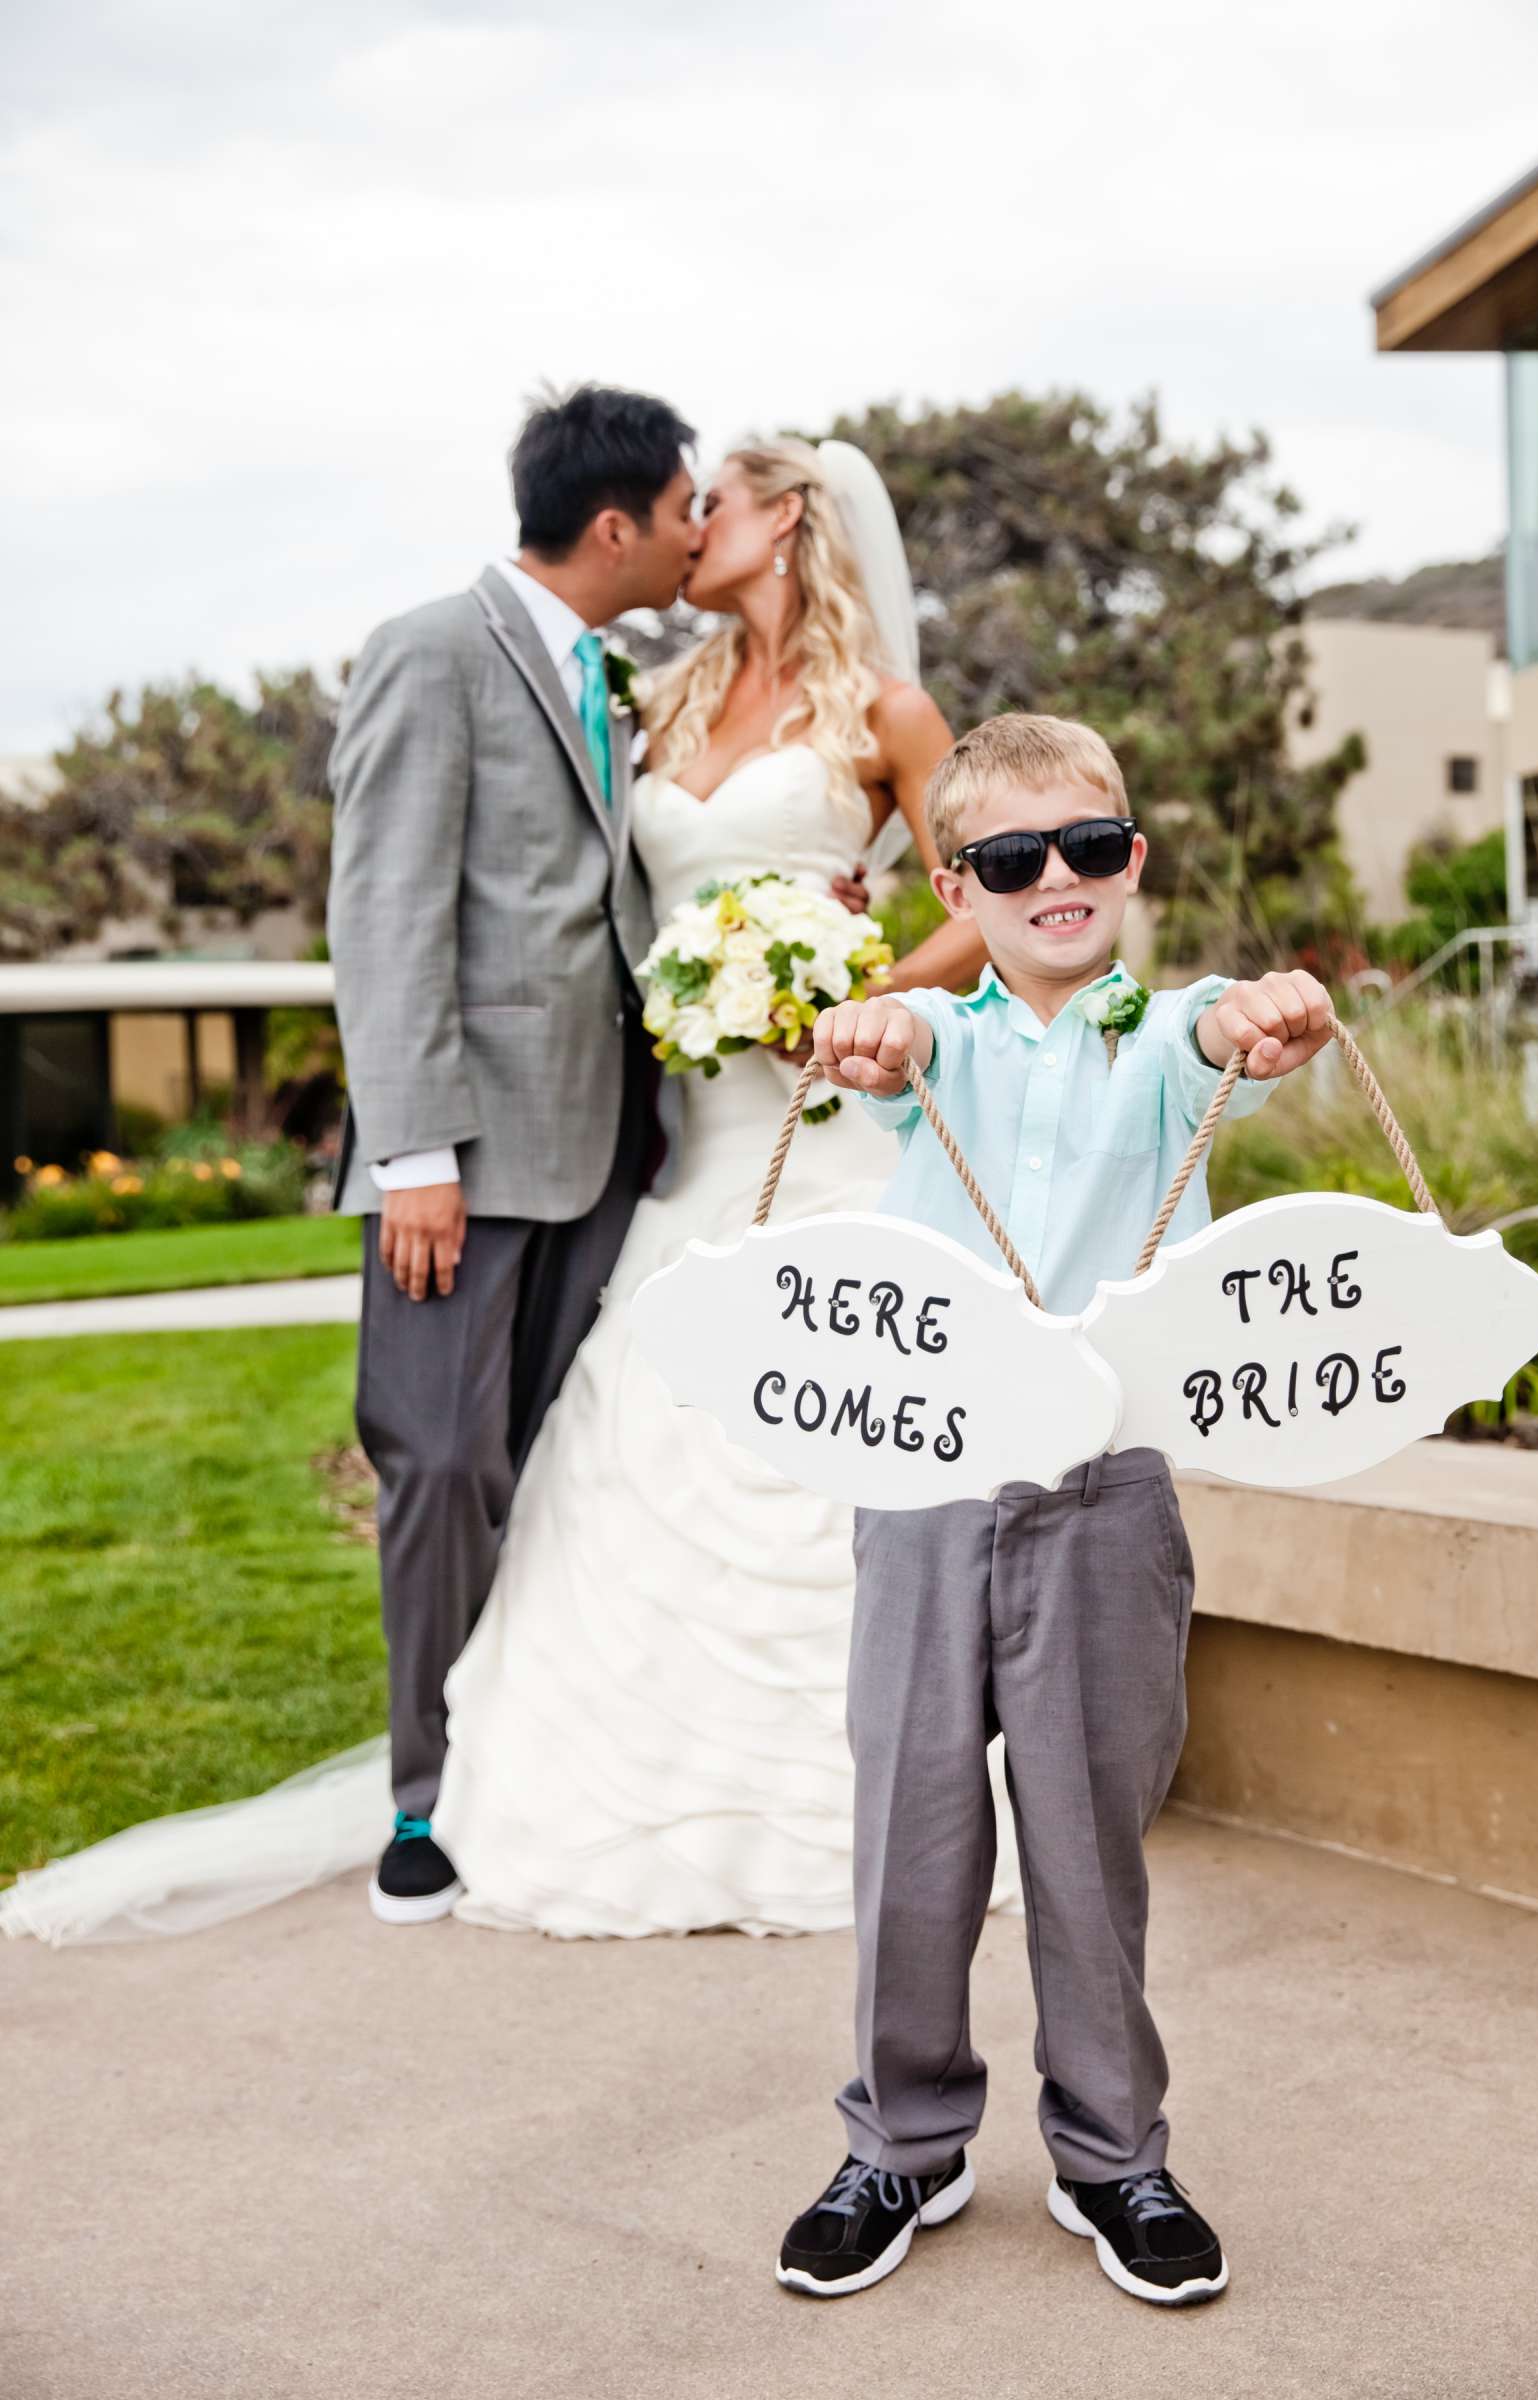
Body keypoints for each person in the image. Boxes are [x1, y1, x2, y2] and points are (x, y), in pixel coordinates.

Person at [776, 713, 1334, 2305]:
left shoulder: (1166, 1035)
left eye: (1089, 846)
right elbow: (894, 1054)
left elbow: (1233, 1030)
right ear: (964, 882)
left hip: (1106, 1490)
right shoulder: (940, 1037)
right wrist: (874, 1032)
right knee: (914, 1828)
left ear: (1131, 858)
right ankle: (904, 2137)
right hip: (929, 1485)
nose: (1057, 881)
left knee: (1089, 1841)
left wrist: (1270, 1014)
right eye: (1013, 860)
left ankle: (1114, 2154)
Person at [429, 435, 1007, 1936]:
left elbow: (990, 899)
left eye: (717, 506)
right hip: (689, 1134)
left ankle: (872, 1794)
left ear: (787, 518)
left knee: (824, 1430)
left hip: (827, 1133)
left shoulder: (887, 710)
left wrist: (858, 985)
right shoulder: (660, 696)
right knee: (648, 1407)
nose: (691, 530)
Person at [325, 385, 702, 1923]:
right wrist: (415, 1146)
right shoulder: (431, 650)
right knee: (439, 1462)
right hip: (465, 1160)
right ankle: (424, 1792)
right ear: (613, 523)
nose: (694, 537)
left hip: (609, 1146)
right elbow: (385, 905)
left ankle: (524, 1758)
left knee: (547, 1469)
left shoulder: (614, 673)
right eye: (683, 511)